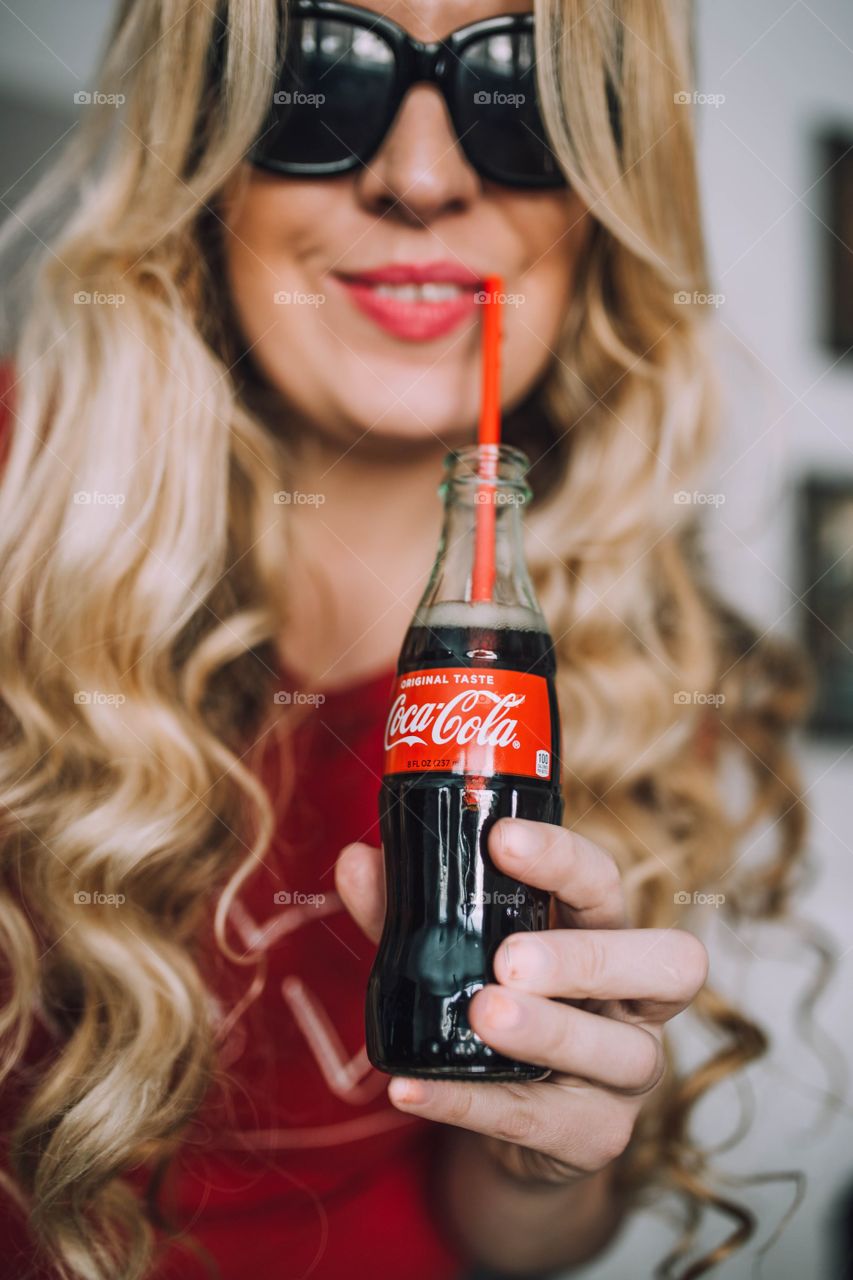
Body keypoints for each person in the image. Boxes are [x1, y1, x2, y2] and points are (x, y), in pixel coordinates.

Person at [0, 1, 809, 1278]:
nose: (421, 178)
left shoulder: (634, 660)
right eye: (321, 73)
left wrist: (539, 1147)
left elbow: (513, 1234)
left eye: (516, 92)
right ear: (196, 145)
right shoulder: (17, 497)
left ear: (604, 189)